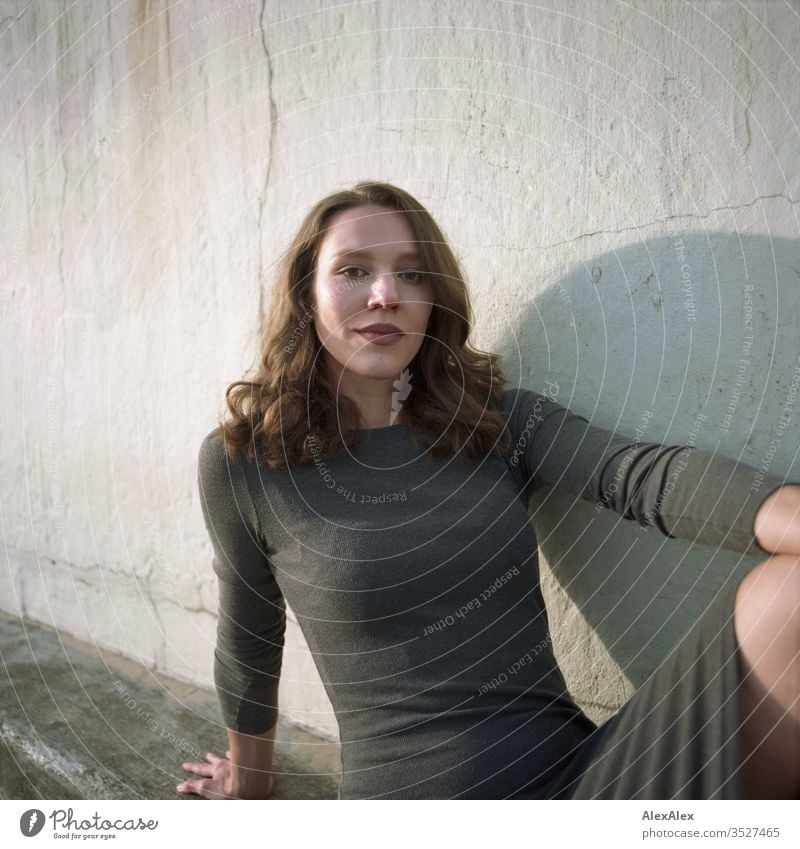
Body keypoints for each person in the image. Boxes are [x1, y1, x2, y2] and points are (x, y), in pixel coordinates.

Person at [177, 181, 799, 800]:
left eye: (413, 275)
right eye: (353, 271)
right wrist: (250, 782)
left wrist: (784, 514)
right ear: (307, 297)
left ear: (434, 302)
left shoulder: (495, 423)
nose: (386, 294)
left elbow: (640, 475)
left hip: (579, 785)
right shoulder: (247, 462)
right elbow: (250, 636)